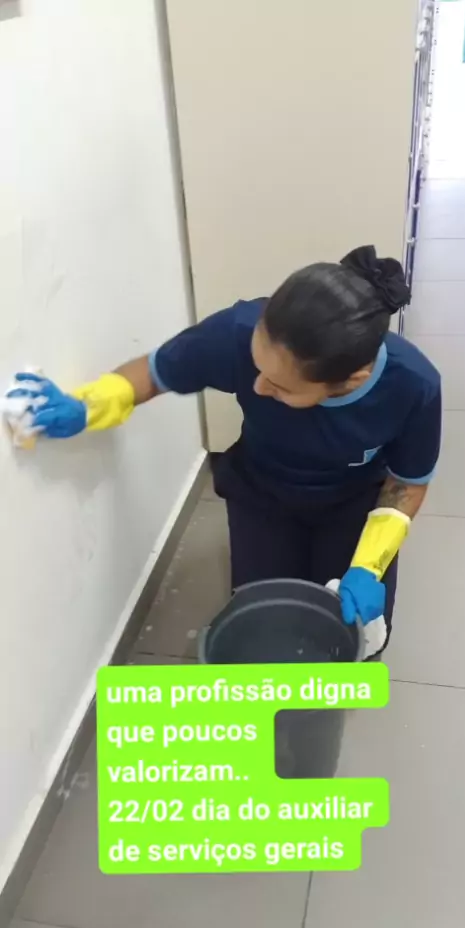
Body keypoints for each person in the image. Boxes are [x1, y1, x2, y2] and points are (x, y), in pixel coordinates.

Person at [10, 245, 441, 652]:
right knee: (264, 622)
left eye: (281, 387)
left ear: (351, 380)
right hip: (263, 492)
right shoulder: (238, 332)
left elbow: (407, 482)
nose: (258, 387)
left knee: (354, 631)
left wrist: (369, 564)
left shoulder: (412, 386)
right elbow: (156, 372)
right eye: (257, 367)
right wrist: (90, 405)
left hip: (354, 505)